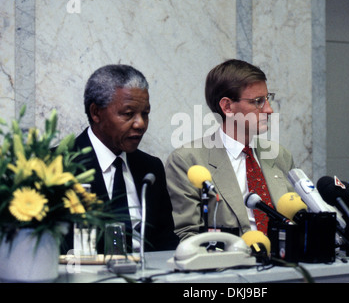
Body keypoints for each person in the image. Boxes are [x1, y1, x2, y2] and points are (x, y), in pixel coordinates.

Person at [165, 59, 295, 241]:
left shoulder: (279, 155)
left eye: (268, 99)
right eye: (258, 102)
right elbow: (188, 236)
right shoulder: (188, 160)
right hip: (230, 265)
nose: (269, 110)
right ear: (227, 107)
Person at [67, 64, 179, 253]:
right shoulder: (59, 167)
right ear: (96, 112)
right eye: (128, 114)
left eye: (145, 114)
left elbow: (165, 240)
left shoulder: (150, 169)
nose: (140, 124)